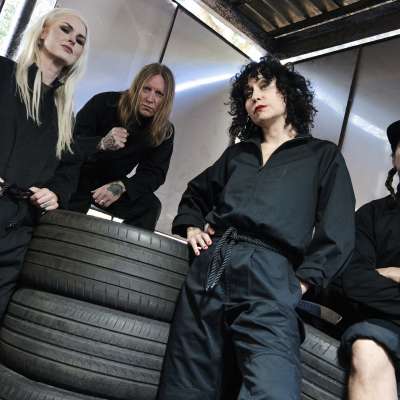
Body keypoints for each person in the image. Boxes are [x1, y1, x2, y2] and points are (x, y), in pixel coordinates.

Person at [157, 55, 355, 400]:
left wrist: (303, 282)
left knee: (271, 385)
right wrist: (191, 227)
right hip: (213, 264)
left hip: (271, 272)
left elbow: (338, 229)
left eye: (264, 86)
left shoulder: (322, 156)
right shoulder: (238, 155)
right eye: (248, 94)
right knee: (186, 383)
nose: (255, 97)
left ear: (288, 93)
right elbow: (196, 194)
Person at [0, 8, 88, 321]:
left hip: (16, 233)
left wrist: (55, 193)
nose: (73, 40)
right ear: (42, 33)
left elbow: (68, 172)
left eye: (80, 40)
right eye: (65, 29)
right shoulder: (2, 73)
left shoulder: (65, 116)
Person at [68, 63, 175, 231]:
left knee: (150, 207)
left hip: (112, 182)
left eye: (159, 93)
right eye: (146, 89)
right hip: (78, 173)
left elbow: (154, 173)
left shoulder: (164, 130)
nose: (150, 99)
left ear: (165, 100)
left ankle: (125, 248)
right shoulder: (104, 102)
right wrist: (101, 143)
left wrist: (122, 186)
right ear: (136, 88)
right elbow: (70, 144)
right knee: (69, 211)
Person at [340, 120, 400, 400]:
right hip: (386, 326)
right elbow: (354, 280)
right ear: (394, 158)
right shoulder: (371, 215)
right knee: (367, 349)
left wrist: (390, 273)